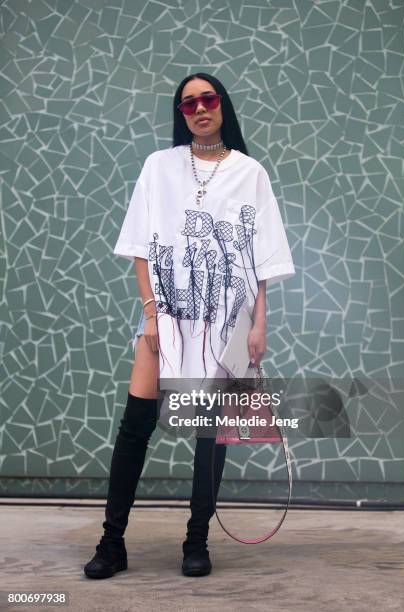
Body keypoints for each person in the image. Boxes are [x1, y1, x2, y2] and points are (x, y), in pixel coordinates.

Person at [83, 72, 295, 579]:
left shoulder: (251, 174)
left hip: (227, 320)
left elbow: (261, 261)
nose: (199, 108)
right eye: (188, 103)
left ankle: (196, 543)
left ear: (222, 105)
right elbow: (139, 244)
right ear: (181, 114)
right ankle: (112, 543)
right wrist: (152, 314)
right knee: (135, 427)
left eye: (208, 98)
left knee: (209, 433)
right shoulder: (159, 167)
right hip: (165, 316)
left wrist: (258, 327)